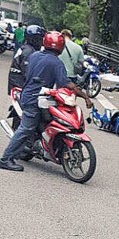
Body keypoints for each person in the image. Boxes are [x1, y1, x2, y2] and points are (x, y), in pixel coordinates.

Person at [0, 31, 93, 172]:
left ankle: (41, 144)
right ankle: (6, 159)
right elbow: (67, 84)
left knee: (47, 119)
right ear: (61, 47)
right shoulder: (56, 63)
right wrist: (85, 97)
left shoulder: (35, 56)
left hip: (31, 94)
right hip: (34, 99)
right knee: (26, 128)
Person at [7, 25, 46, 130]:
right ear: (33, 38)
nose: (41, 41)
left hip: (19, 83)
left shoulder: (28, 48)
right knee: (30, 111)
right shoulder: (29, 52)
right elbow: (28, 73)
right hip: (19, 85)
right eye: (39, 38)